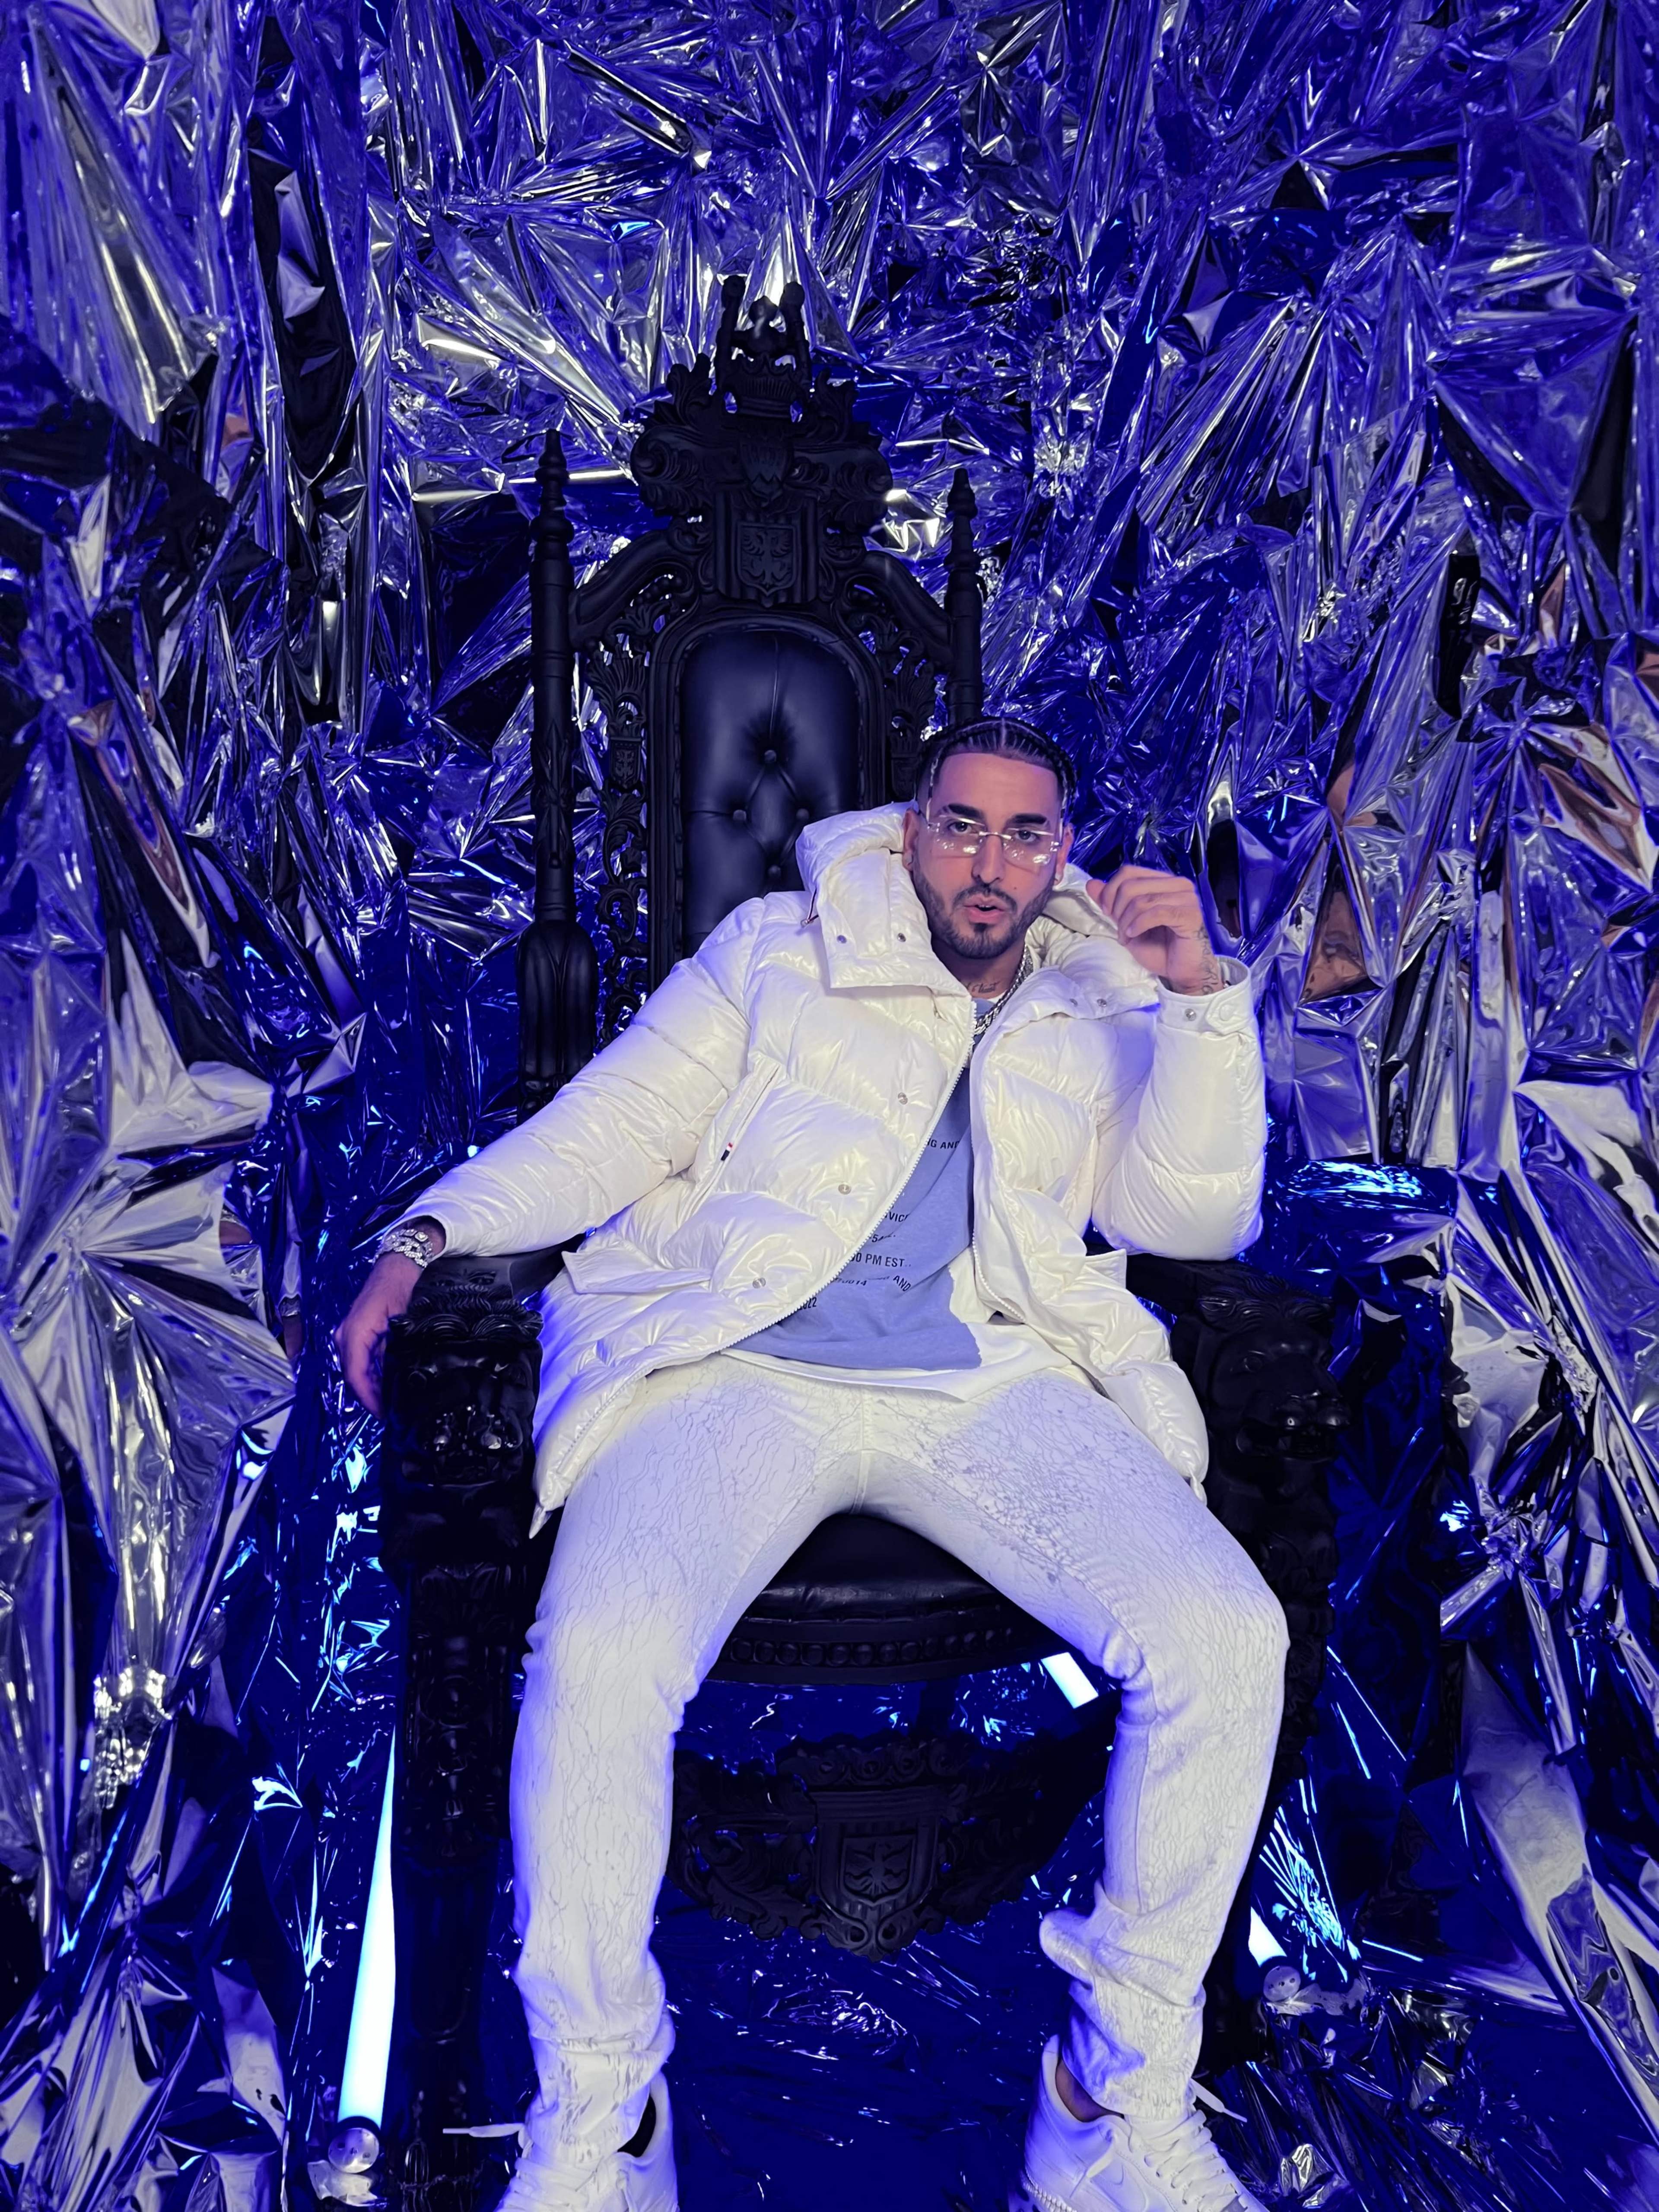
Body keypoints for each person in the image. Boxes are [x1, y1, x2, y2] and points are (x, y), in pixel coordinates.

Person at [337, 716, 1283, 2212]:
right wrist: (425, 1235)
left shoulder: (1102, 987)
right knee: (597, 1657)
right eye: (962, 825)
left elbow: (1193, 1225)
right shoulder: (779, 950)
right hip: (736, 1365)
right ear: (913, 830)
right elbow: (609, 1126)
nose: (990, 861)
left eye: (1026, 834)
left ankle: (1108, 2102)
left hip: (988, 1377)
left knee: (1228, 1639)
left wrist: (1210, 1003)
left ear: (1059, 854)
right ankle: (603, 2117)